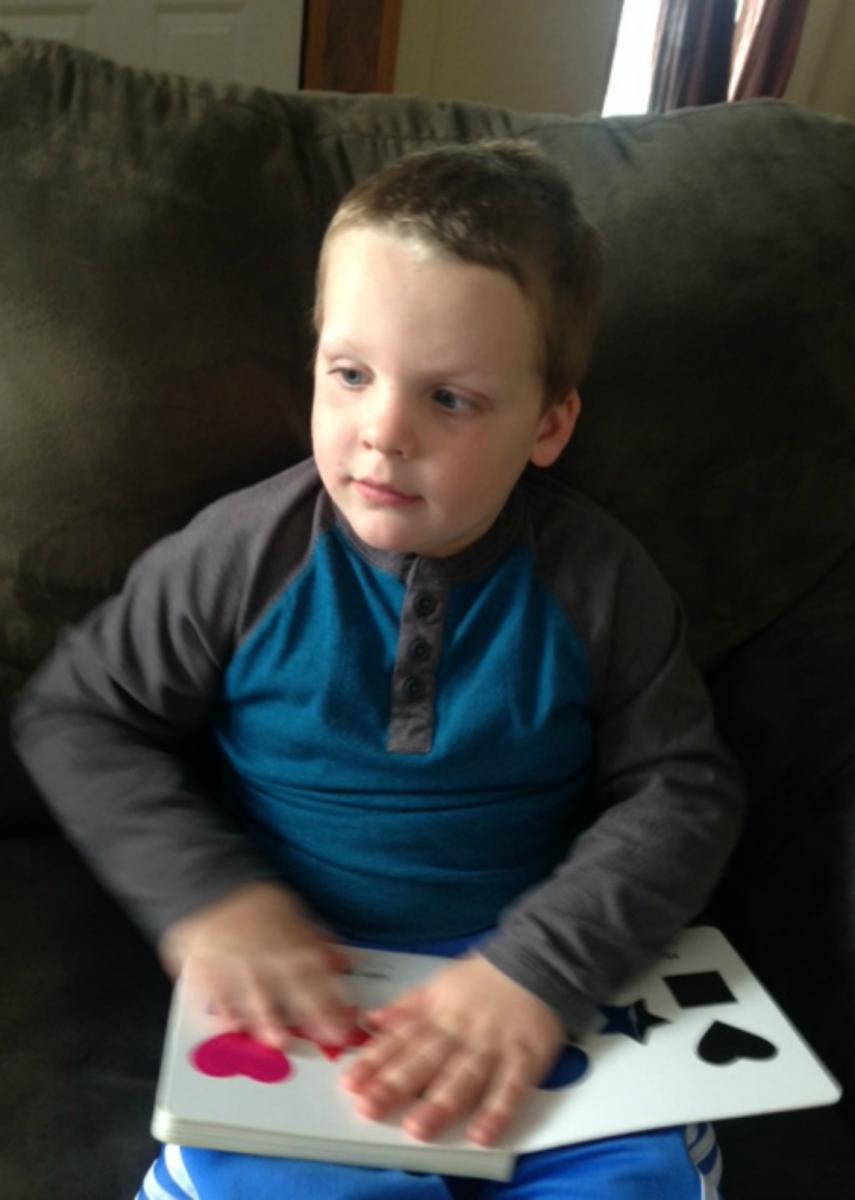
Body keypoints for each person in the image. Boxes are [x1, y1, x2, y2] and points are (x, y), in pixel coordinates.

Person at [12, 140, 743, 1199]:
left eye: (450, 399)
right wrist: (212, 900)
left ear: (547, 425)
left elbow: (684, 791)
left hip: (539, 970)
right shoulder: (242, 556)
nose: (381, 432)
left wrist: (534, 971)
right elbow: (79, 715)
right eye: (350, 374)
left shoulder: (597, 581)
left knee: (640, 1179)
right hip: (306, 982)